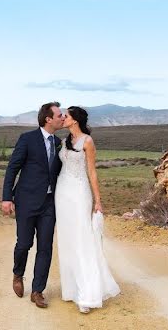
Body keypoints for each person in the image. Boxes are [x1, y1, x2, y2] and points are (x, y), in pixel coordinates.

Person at [54, 105, 120, 313]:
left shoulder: (87, 141)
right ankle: (72, 290)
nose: (63, 118)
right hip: (61, 192)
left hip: (79, 192)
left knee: (82, 239)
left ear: (75, 120)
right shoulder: (65, 141)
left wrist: (97, 201)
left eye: (66, 116)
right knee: (67, 240)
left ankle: (88, 294)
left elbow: (92, 172)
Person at [1, 101, 64, 308]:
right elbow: (13, 168)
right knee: (24, 244)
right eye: (59, 115)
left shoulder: (58, 143)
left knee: (45, 247)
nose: (62, 118)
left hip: (49, 203)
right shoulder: (27, 139)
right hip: (27, 201)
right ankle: (18, 274)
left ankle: (38, 291)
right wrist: (6, 198)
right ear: (48, 119)